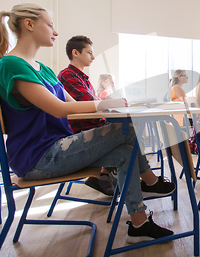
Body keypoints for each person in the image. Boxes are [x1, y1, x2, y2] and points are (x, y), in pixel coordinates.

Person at [0, 3, 174, 243]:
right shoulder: (11, 65)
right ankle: (150, 181)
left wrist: (107, 103)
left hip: (58, 147)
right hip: (37, 157)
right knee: (126, 130)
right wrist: (105, 105)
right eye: (50, 25)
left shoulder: (42, 68)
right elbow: (58, 109)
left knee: (125, 152)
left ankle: (139, 224)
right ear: (29, 24)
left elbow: (72, 105)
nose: (55, 32)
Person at [58, 36, 175, 198]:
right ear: (75, 53)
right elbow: (90, 103)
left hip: (90, 127)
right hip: (84, 133)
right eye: (89, 52)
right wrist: (111, 104)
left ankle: (110, 176)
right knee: (130, 134)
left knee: (130, 135)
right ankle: (148, 181)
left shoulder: (82, 78)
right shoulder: (67, 75)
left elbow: (94, 104)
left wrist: (109, 104)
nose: (93, 57)